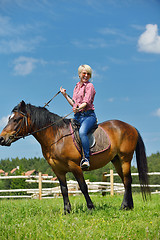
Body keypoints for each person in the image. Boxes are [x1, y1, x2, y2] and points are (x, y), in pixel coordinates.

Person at [60, 64, 97, 170]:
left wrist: (78, 108)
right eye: (84, 73)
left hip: (88, 116)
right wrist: (65, 95)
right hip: (77, 115)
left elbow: (86, 101)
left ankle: (86, 159)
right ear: (79, 74)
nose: (86, 75)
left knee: (82, 132)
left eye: (88, 74)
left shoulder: (90, 86)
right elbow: (74, 103)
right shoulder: (76, 86)